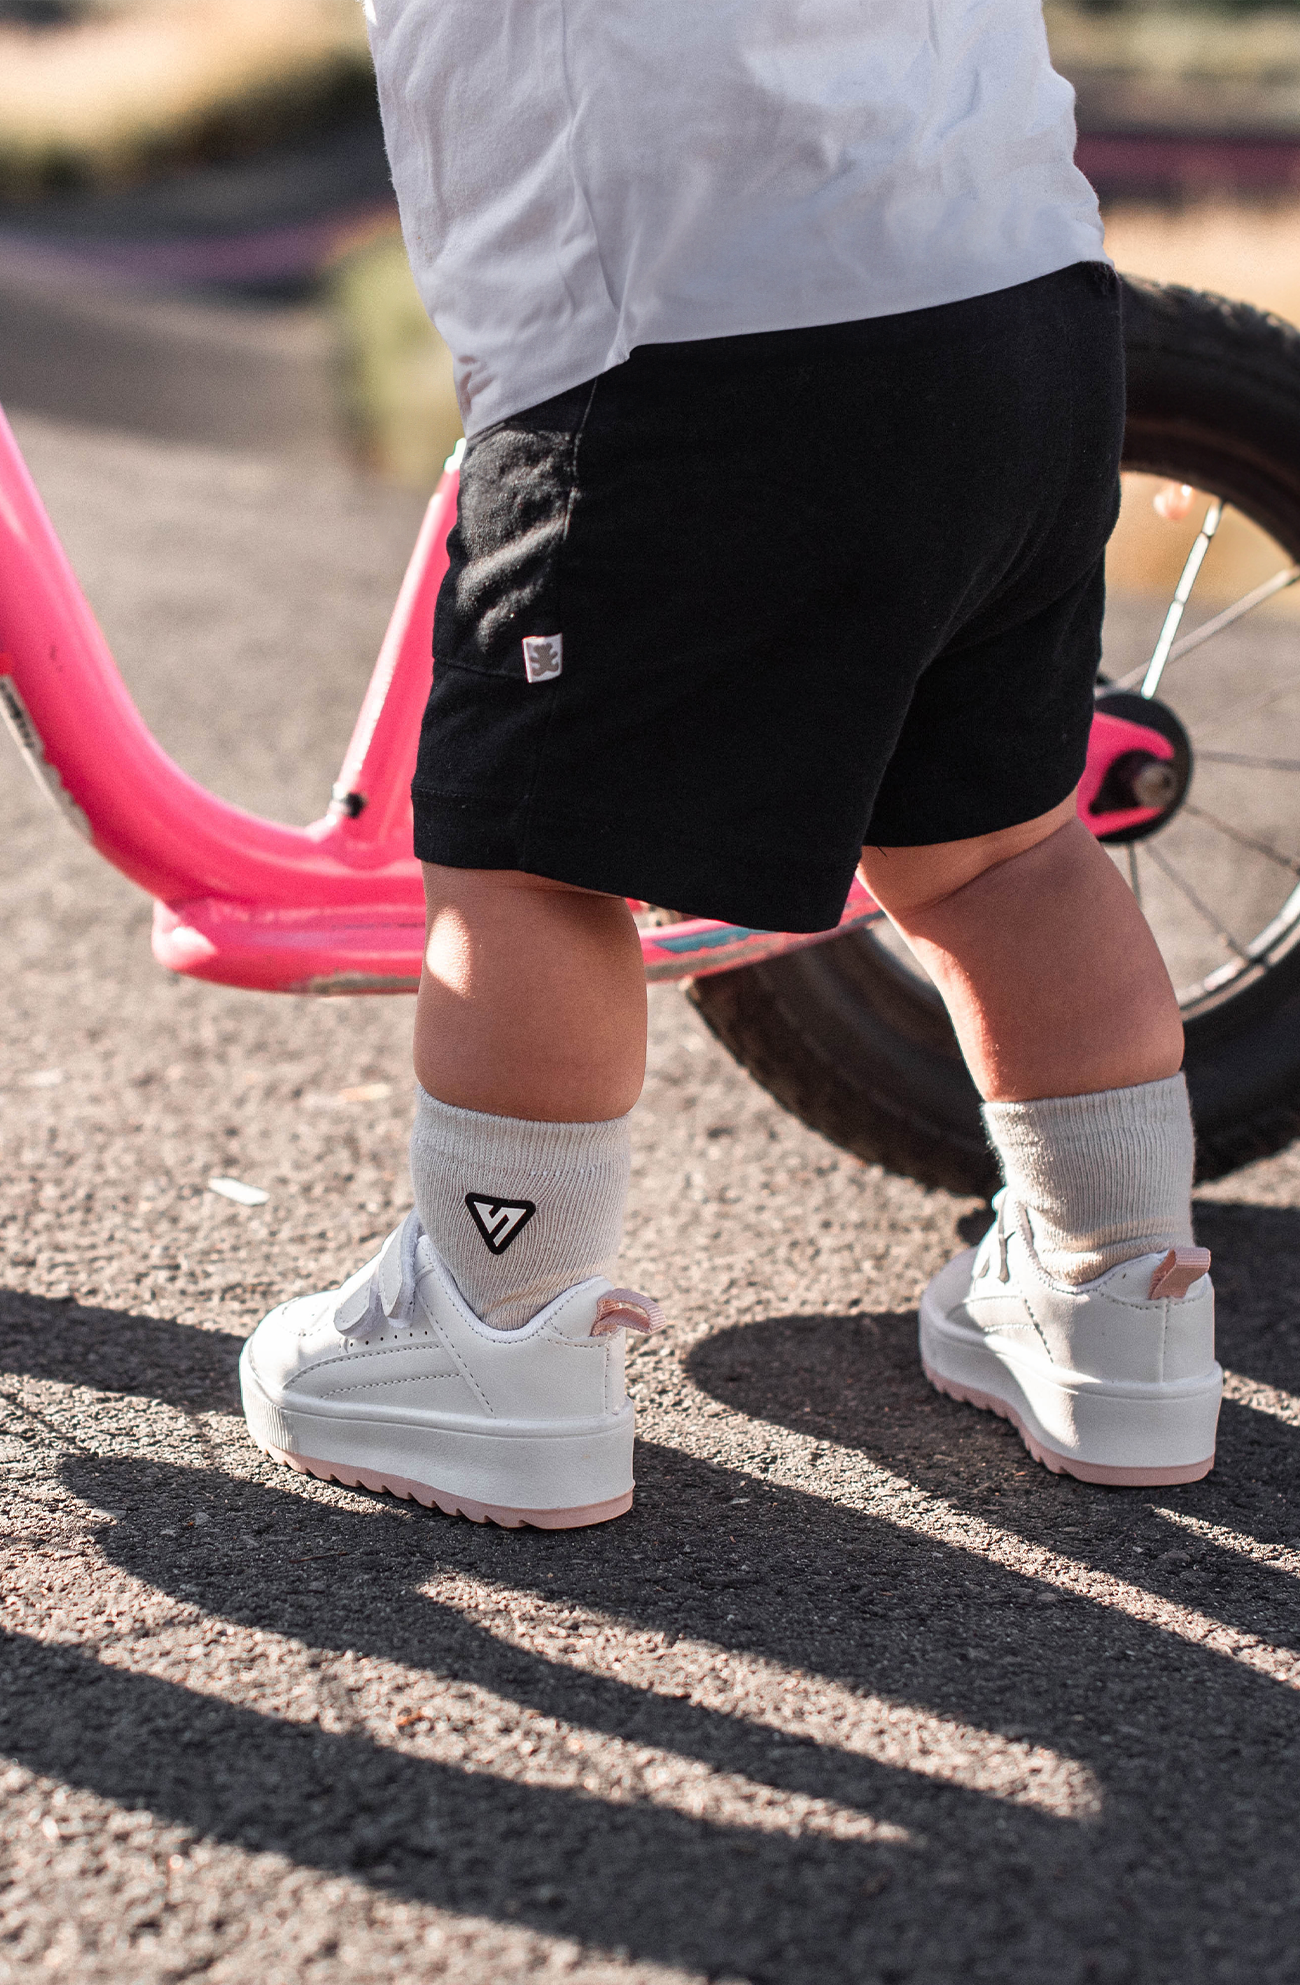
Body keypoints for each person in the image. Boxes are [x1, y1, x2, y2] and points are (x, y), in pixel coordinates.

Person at [238, 0, 1221, 1525]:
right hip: (1019, 299)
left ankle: (497, 1329)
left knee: (529, 858)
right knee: (1002, 849)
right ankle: (1121, 1292)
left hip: (684, 329)